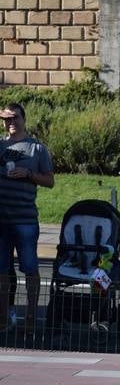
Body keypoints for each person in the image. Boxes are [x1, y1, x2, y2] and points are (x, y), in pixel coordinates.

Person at [0, 103, 54, 331]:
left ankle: (30, 319)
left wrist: (29, 174)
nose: (10, 123)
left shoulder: (37, 149)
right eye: (5, 119)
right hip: (1, 220)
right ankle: (3, 319)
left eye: (14, 118)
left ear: (24, 119)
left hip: (25, 220)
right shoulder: (0, 145)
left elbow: (50, 181)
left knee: (30, 268)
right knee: (1, 270)